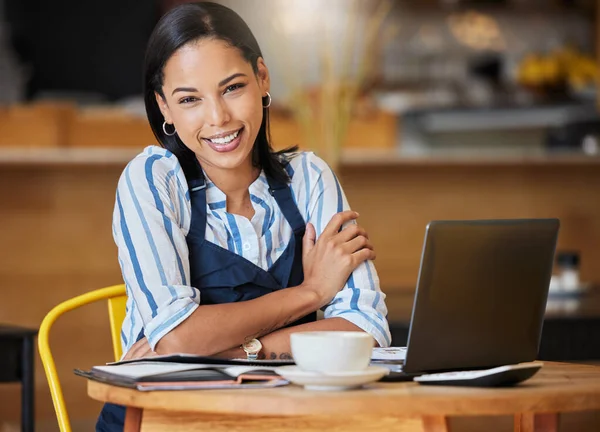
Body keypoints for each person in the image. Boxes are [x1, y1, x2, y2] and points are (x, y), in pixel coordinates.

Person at [96, 2, 391, 430]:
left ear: (262, 77)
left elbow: (365, 329)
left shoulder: (309, 178)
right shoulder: (153, 179)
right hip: (164, 418)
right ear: (164, 109)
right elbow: (177, 337)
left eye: (232, 88)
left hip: (289, 418)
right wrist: (310, 293)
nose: (218, 118)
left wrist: (231, 354)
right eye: (189, 99)